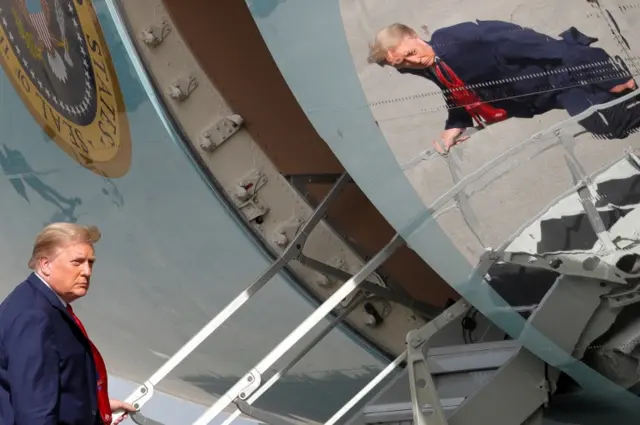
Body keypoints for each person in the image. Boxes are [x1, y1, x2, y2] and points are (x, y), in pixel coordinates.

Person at [368, 21, 639, 154]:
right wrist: (456, 124)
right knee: (611, 120)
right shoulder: (426, 65)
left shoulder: (459, 40)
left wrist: (605, 73)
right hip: (542, 96)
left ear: (414, 35)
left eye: (411, 53)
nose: (413, 62)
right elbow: (453, 90)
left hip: (561, 76)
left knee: (606, 123)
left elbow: (529, 42)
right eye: (402, 64)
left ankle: (613, 77)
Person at [0, 222, 137, 425]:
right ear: (45, 264)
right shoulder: (35, 317)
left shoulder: (41, 303)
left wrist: (93, 407)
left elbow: (52, 384)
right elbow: (35, 414)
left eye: (90, 263)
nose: (87, 271)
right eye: (77, 262)